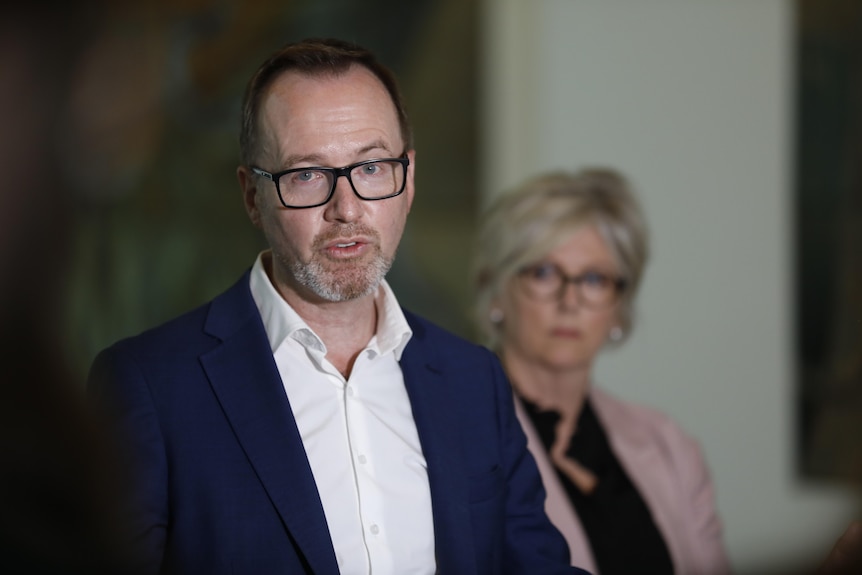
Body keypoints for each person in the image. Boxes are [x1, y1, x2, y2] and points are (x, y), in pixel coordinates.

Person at [88, 38, 586, 575]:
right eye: (307, 174)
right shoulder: (148, 385)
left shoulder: (473, 379)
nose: (346, 209)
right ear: (252, 196)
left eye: (371, 168)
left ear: (408, 178)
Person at [472, 168, 732, 574]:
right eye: (543, 273)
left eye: (594, 279)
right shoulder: (457, 436)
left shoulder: (670, 446)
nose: (569, 300)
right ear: (496, 291)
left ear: (619, 307)